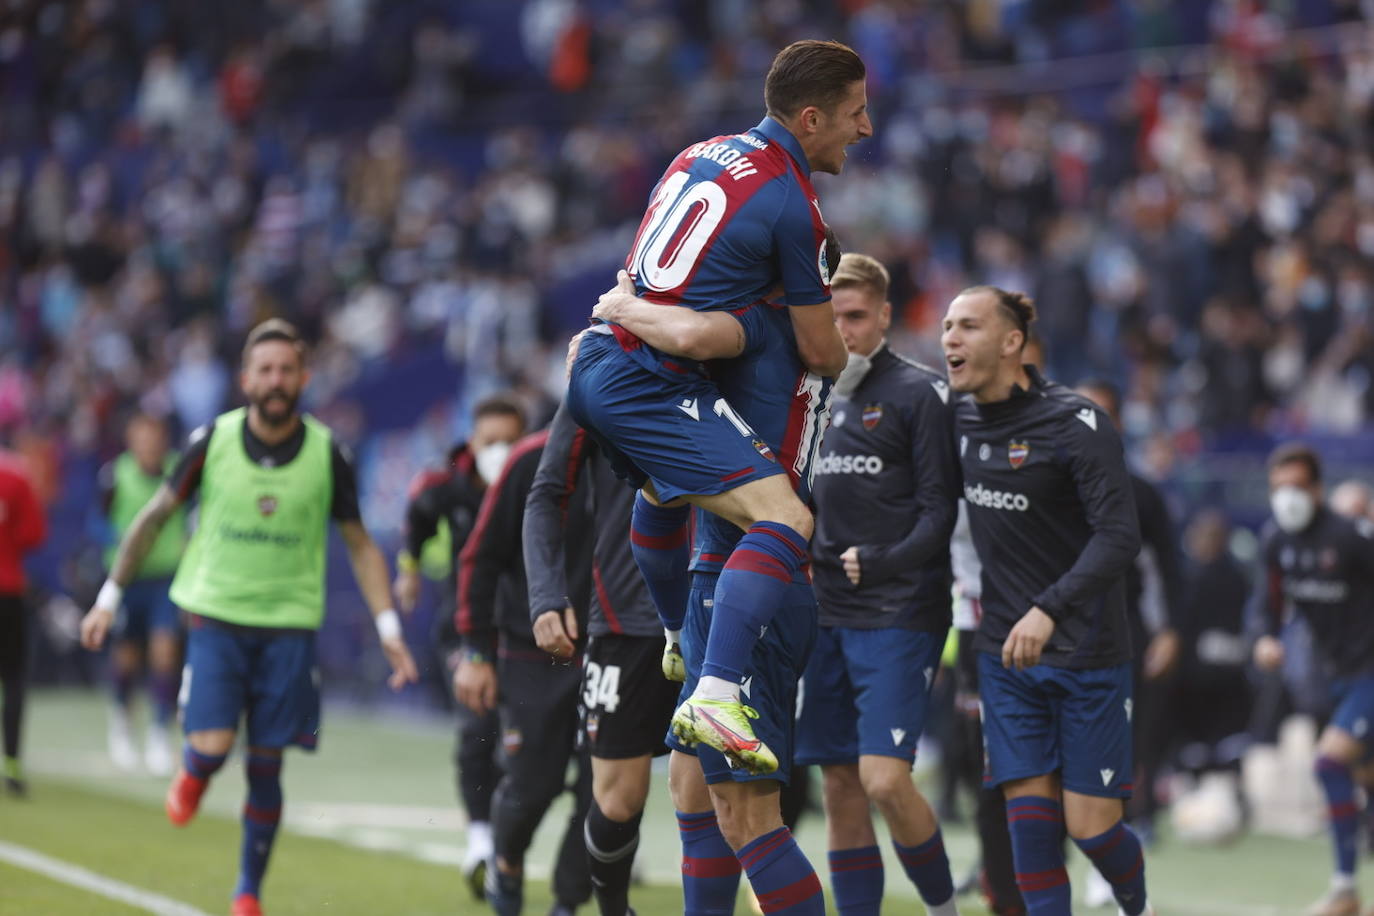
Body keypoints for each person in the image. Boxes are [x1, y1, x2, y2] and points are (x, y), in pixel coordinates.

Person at [566, 38, 864, 776]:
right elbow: (825, 354)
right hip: (650, 378)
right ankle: (715, 691)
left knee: (665, 489)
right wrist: (778, 327)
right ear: (810, 117)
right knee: (785, 515)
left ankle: (673, 634)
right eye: (855, 114)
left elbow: (657, 283)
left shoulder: (697, 153)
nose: (866, 128)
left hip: (603, 355)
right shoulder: (795, 205)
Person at [79, 319, 418, 916]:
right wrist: (109, 595)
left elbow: (362, 544)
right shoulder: (211, 440)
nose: (276, 380)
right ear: (245, 379)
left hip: (290, 627)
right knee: (211, 749)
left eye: (287, 369)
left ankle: (247, 893)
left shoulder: (327, 451)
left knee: (268, 763)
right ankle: (193, 770)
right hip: (215, 617)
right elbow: (156, 515)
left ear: (304, 377)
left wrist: (389, 628)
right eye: (264, 370)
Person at [590, 245, 840, 913]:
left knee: (748, 818)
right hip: (743, 583)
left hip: (743, 587)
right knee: (693, 791)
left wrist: (621, 307)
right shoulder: (803, 346)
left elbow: (652, 519)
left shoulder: (756, 326)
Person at [941, 286, 1149, 916]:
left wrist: (1050, 607)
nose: (950, 337)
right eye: (947, 325)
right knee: (1027, 830)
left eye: (969, 326)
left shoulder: (1077, 423)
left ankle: (1138, 906)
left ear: (1012, 344)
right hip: (1008, 656)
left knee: (1091, 829)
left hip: (1087, 652)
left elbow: (1120, 537)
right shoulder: (953, 418)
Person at [790, 253, 961, 915]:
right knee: (839, 785)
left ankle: (942, 906)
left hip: (899, 610)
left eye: (856, 316)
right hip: (826, 612)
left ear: (885, 316)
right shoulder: (811, 394)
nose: (844, 330)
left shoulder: (921, 395)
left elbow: (940, 510)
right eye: (832, 317)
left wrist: (883, 560)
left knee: (884, 778)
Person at [524, 398, 679, 916]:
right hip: (625, 620)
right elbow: (546, 494)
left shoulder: (737, 350)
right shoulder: (601, 365)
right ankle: (614, 909)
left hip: (718, 611)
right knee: (616, 800)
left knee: (718, 799)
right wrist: (547, 595)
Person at [454, 426, 593, 916]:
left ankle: (567, 904)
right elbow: (480, 556)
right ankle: (507, 862)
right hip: (535, 652)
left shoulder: (654, 445)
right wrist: (475, 652)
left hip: (617, 647)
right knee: (534, 785)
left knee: (610, 793)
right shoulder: (529, 460)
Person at [395, 395, 525, 899]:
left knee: (536, 739)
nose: (501, 452)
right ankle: (479, 840)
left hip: (526, 630)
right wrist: (408, 570)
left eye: (510, 442)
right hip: (465, 629)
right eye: (491, 442)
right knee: (479, 723)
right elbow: (418, 518)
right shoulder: (446, 484)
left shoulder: (541, 477)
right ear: (474, 442)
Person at [1250, 444, 1374, 916]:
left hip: (1370, 670)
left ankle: (1344, 891)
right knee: (1366, 777)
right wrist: (1265, 638)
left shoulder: (1350, 537)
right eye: (1279, 488)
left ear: (1318, 490)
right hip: (1333, 675)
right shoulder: (1275, 541)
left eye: (1298, 487)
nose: (1288, 498)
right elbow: (1267, 604)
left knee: (1328, 764)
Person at [1074, 380, 1183, 861]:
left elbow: (1172, 566)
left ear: (1117, 423)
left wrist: (1172, 631)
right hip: (1058, 625)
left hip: (1125, 623)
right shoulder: (1043, 483)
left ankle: (1135, 821)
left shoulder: (1143, 493)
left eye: (1098, 412)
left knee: (1134, 729)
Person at [98, 412, 187, 775]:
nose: (149, 444)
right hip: (127, 578)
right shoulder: (113, 476)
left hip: (166, 578)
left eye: (155, 437)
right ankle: (121, 724)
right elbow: (98, 522)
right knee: (127, 656)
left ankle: (159, 735)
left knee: (165, 650)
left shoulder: (180, 470)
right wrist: (116, 545)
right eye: (142, 437)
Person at [0, 445, 47, 797]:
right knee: (14, 679)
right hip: (9, 590)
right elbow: (33, 534)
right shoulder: (15, 475)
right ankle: (12, 763)